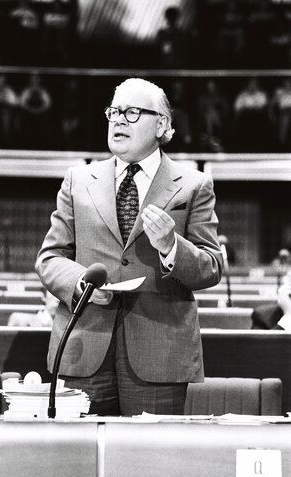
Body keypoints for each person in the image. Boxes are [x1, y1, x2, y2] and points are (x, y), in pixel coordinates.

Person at [36, 77, 223, 417]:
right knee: (75, 465)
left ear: (161, 124)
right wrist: (81, 284)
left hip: (160, 354)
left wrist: (171, 246)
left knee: (152, 467)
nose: (119, 120)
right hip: (83, 346)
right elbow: (50, 258)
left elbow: (211, 267)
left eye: (132, 112)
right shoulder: (78, 180)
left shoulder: (194, 184)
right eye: (114, 111)